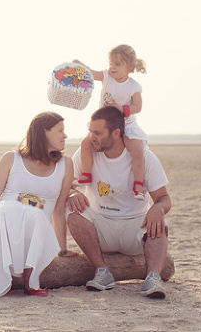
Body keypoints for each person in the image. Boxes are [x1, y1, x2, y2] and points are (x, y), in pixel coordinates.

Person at [0, 112, 77, 298]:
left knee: (36, 216)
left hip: (35, 234)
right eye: (60, 131)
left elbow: (59, 208)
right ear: (43, 133)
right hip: (4, 227)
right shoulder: (11, 158)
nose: (65, 136)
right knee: (2, 210)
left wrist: (62, 249)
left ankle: (30, 282)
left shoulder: (66, 164)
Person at [66, 106, 171, 298]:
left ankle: (153, 278)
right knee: (71, 211)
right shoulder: (85, 154)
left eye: (97, 133)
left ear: (116, 133)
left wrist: (158, 208)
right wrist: (72, 193)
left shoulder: (145, 158)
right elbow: (64, 187)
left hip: (135, 228)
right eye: (90, 131)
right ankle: (102, 272)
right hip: (100, 228)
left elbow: (164, 199)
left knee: (160, 221)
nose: (91, 137)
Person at [74, 44, 149, 199]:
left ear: (130, 66)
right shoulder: (106, 76)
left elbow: (137, 107)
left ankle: (138, 185)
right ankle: (86, 174)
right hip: (105, 124)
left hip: (126, 124)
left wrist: (120, 108)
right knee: (85, 144)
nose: (112, 67)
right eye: (111, 63)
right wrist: (81, 67)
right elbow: (92, 74)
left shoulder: (133, 86)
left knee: (137, 150)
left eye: (117, 64)